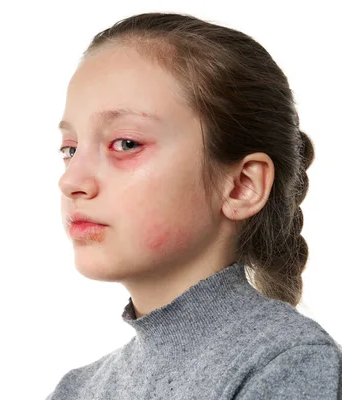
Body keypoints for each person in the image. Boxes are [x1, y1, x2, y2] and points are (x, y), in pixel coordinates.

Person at [46, 12, 342, 400]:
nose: (70, 181)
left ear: (241, 186)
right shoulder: (77, 389)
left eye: (126, 144)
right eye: (70, 149)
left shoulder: (285, 361)